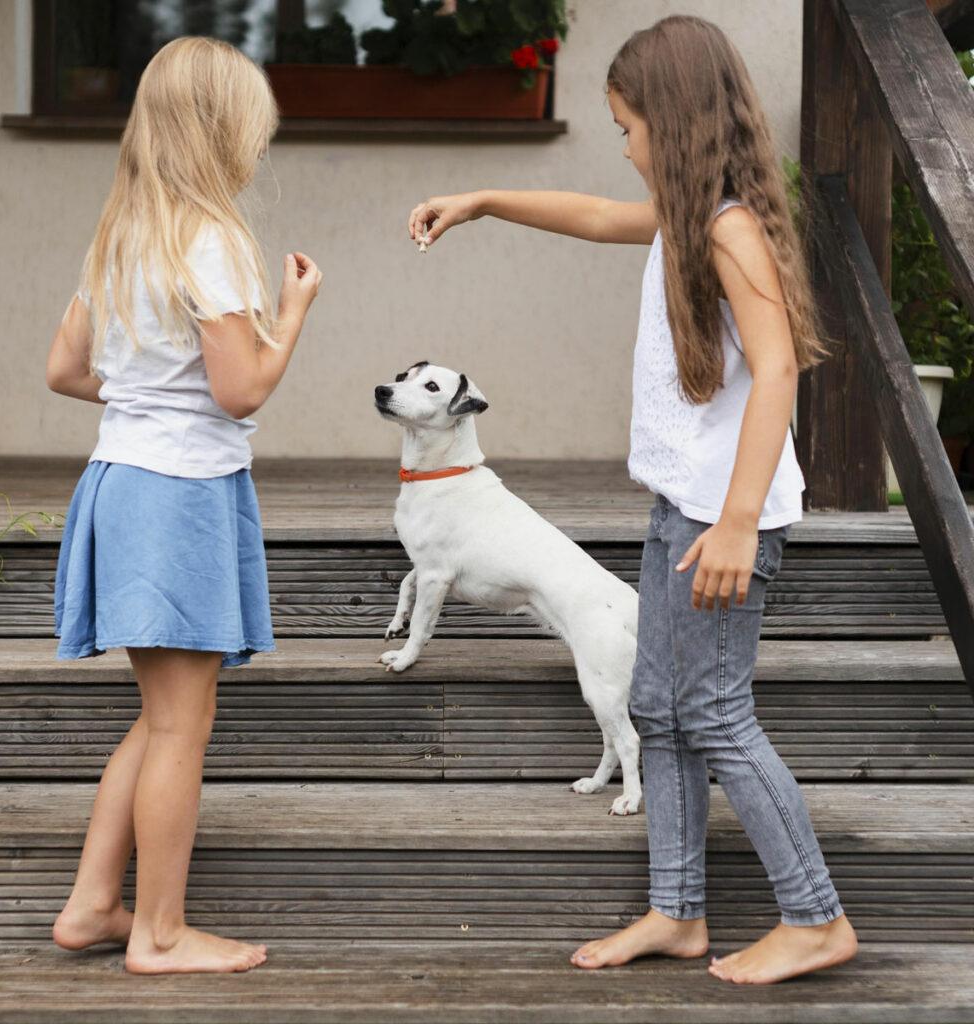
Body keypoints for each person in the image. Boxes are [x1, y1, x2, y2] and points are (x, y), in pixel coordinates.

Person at [405, 15, 857, 986]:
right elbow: (592, 214)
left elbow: (777, 368)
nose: (622, 146)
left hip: (719, 520)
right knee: (656, 706)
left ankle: (814, 916)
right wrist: (482, 198)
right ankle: (677, 911)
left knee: (714, 710)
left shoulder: (730, 229)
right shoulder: (686, 219)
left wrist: (737, 518)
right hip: (677, 507)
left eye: (626, 125)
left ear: (672, 119)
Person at [46, 36, 322, 974]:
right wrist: (292, 317)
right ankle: (159, 935)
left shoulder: (123, 232)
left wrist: (144, 399)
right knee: (179, 728)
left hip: (123, 482)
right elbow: (242, 390)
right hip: (180, 494)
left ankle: (92, 905)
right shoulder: (211, 239)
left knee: (161, 717)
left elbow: (66, 371)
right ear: (223, 131)